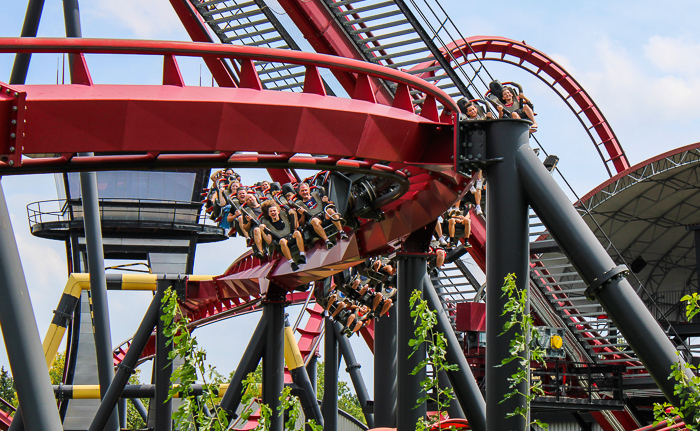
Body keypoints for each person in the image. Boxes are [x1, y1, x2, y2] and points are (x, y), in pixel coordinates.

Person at [256, 200, 306, 271]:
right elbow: (269, 241)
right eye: (271, 212)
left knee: (297, 232)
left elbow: (295, 226)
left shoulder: (284, 216)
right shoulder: (268, 224)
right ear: (269, 214)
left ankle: (302, 255)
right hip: (281, 242)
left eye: (274, 211)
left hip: (291, 236)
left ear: (278, 212)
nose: (273, 212)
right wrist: (262, 231)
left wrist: (294, 214)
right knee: (282, 241)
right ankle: (292, 263)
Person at [294, 183, 347, 249]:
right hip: (315, 219)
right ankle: (327, 241)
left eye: (305, 190)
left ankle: (342, 232)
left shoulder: (316, 195)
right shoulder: (299, 205)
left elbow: (332, 203)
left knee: (330, 210)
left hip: (324, 215)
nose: (305, 192)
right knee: (314, 221)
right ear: (299, 193)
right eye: (302, 191)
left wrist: (327, 201)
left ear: (309, 190)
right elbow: (301, 223)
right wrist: (302, 214)